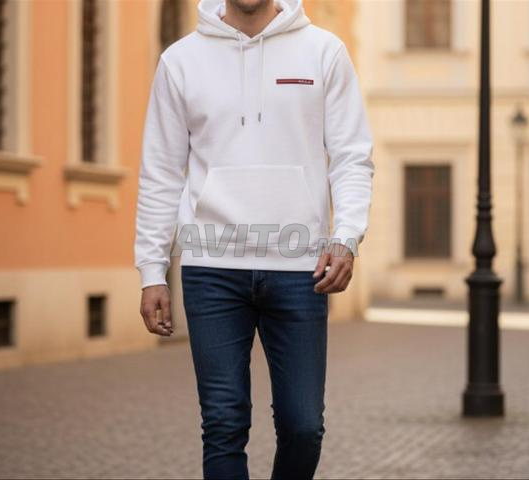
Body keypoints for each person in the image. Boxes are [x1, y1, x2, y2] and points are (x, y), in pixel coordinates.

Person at [134, 0, 374, 478]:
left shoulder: (323, 51)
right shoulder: (180, 61)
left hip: (301, 269)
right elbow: (160, 172)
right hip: (211, 269)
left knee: (303, 426)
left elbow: (352, 157)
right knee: (223, 425)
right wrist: (151, 271)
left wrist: (346, 237)